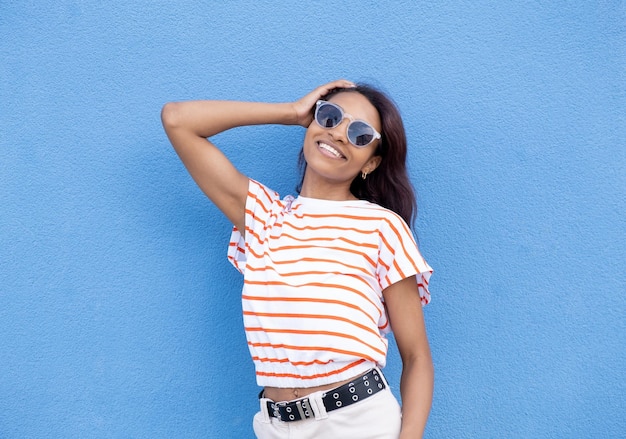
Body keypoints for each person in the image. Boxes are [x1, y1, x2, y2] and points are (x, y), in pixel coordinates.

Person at [161, 79, 434, 439]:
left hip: (359, 423)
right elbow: (178, 119)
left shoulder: (382, 227)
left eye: (360, 134)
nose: (338, 134)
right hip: (277, 426)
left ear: (372, 163)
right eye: (331, 116)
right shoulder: (262, 216)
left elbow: (416, 357)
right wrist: (290, 112)